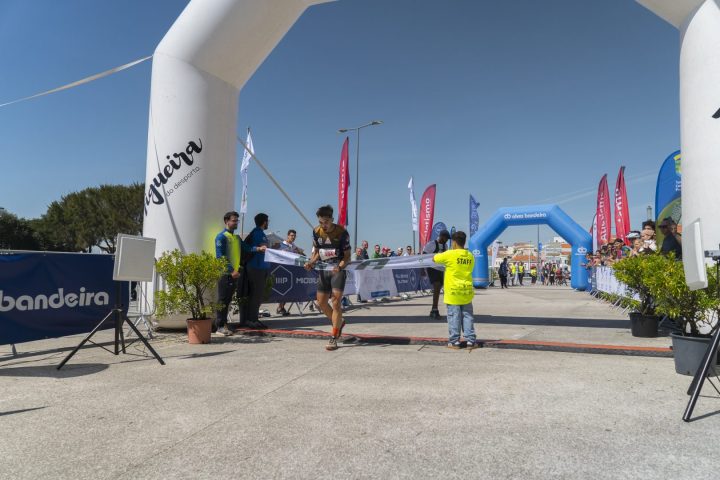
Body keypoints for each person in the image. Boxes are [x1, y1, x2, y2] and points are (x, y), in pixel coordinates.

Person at [304, 205, 352, 351]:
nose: (323, 225)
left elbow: (347, 256)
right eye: (320, 222)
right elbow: (317, 252)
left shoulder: (342, 232)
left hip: (337, 269)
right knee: (321, 303)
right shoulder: (316, 231)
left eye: (326, 222)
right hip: (323, 269)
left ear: (332, 219)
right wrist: (311, 262)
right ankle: (339, 322)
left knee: (336, 302)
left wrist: (340, 267)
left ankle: (334, 336)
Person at [433, 231, 477, 350]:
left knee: (454, 317)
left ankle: (454, 341)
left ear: (454, 242)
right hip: (466, 291)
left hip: (453, 292)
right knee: (467, 316)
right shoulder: (470, 256)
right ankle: (470, 341)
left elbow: (435, 258)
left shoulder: (450, 254)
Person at [214, 211, 243, 336]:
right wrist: (232, 270)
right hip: (226, 274)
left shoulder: (236, 238)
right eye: (234, 220)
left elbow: (245, 249)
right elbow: (220, 256)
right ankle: (219, 326)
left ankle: (224, 324)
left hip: (234, 274)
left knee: (227, 300)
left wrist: (258, 248)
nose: (236, 223)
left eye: (237, 221)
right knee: (223, 300)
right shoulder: (221, 237)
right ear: (226, 221)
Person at [241, 213, 271, 328]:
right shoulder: (258, 233)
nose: (268, 223)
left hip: (259, 267)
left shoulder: (258, 232)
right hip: (257, 267)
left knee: (256, 294)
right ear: (264, 222)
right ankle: (252, 320)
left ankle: (253, 319)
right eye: (267, 221)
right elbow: (262, 248)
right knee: (256, 294)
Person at [276, 229, 304, 316]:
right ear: (288, 236)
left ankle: (281, 307)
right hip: (282, 270)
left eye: (294, 236)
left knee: (288, 290)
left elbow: (301, 254)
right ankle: (280, 307)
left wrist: (300, 252)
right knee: (283, 289)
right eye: (292, 235)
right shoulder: (281, 245)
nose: (293, 237)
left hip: (291, 271)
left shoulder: (293, 246)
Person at [423, 230, 450, 319]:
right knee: (437, 286)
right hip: (432, 268)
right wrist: (422, 268)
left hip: (441, 269)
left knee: (439, 289)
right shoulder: (431, 244)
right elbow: (423, 256)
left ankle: (434, 309)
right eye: (446, 238)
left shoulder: (446, 246)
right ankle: (434, 309)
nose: (447, 240)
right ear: (441, 236)